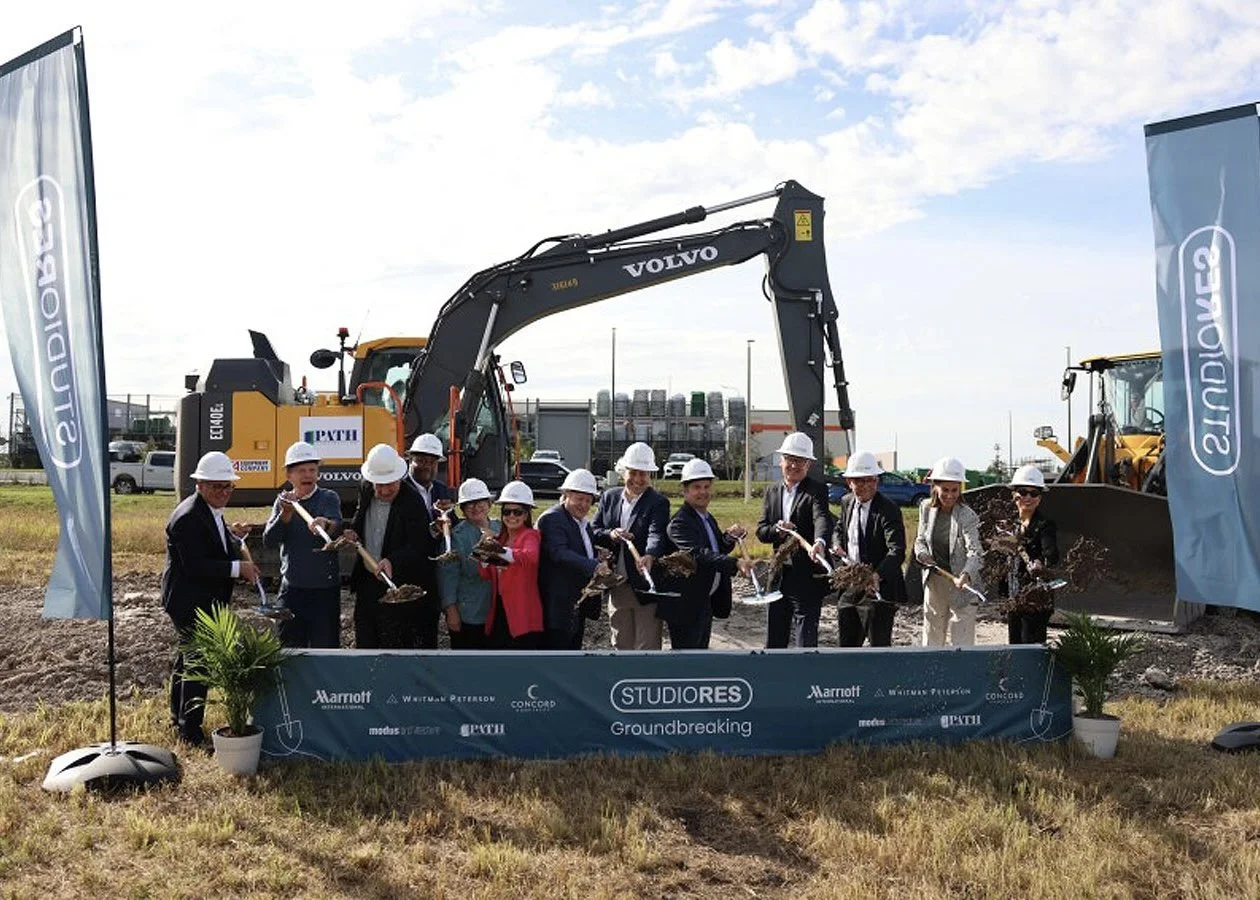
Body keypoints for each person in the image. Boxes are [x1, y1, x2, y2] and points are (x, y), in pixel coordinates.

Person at [160, 451, 259, 747]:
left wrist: (233, 538)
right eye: (217, 486)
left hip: (199, 598)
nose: (225, 492)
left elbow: (212, 543)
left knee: (187, 659)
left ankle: (179, 718)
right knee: (198, 663)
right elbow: (195, 565)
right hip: (189, 600)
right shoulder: (188, 517)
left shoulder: (208, 509)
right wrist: (237, 568)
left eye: (229, 486)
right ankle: (190, 731)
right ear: (200, 484)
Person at [343, 443, 429, 649]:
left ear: (399, 478)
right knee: (366, 639)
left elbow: (420, 545)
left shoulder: (412, 502)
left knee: (393, 642)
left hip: (396, 585)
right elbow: (359, 515)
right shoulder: (365, 489)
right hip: (367, 581)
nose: (384, 490)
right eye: (378, 485)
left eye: (390, 484)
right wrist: (353, 530)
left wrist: (393, 561)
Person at [262, 441, 343, 648]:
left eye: (312, 470)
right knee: (289, 647)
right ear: (289, 475)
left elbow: (336, 526)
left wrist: (325, 523)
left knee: (325, 648)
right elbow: (269, 540)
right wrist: (285, 515)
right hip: (292, 589)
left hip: (325, 590)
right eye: (301, 470)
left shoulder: (327, 498)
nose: (307, 475)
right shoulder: (282, 502)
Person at [663, 459, 751, 649]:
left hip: (704, 602)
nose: (703, 492)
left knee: (701, 657)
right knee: (688, 662)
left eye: (706, 487)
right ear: (685, 491)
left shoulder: (706, 517)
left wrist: (728, 538)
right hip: (686, 606)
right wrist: (735, 563)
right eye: (696, 487)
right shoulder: (679, 524)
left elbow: (715, 548)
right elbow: (698, 554)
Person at [755, 432, 832, 648]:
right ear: (781, 461)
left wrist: (819, 542)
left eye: (800, 461)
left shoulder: (816, 491)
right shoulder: (772, 491)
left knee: (805, 639)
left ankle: (805, 678)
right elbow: (761, 531)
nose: (794, 465)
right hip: (778, 576)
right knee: (775, 637)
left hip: (805, 576)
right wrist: (778, 531)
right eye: (789, 460)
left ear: (808, 464)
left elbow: (821, 518)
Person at [592, 442, 670, 650]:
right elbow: (594, 529)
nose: (637, 479)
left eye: (643, 474)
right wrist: (611, 533)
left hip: (644, 583)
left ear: (650, 475)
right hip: (617, 584)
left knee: (647, 646)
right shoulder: (609, 497)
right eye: (633, 472)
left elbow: (656, 533)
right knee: (621, 643)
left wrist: (650, 555)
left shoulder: (658, 502)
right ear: (623, 471)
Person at [830, 451, 907, 647]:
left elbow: (897, 550)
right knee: (847, 645)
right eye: (860, 481)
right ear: (849, 482)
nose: (866, 486)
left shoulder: (888, 509)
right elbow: (839, 528)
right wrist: (837, 543)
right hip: (850, 584)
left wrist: (877, 575)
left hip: (877, 588)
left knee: (878, 647)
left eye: (870, 480)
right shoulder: (847, 502)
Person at [914, 456, 984, 646]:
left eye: (955, 490)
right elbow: (920, 540)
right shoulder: (925, 508)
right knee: (932, 637)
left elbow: (975, 551)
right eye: (945, 490)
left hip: (962, 584)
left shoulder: (967, 516)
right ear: (935, 487)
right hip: (935, 580)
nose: (950, 495)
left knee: (962, 640)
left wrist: (966, 574)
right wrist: (922, 554)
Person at [538, 468, 608, 650]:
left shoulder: (582, 523)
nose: (584, 505)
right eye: (579, 499)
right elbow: (559, 553)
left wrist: (595, 554)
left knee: (572, 653)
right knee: (557, 657)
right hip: (558, 607)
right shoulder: (553, 519)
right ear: (566, 495)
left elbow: (576, 549)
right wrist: (593, 565)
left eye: (588, 500)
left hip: (575, 606)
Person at [480, 480, 545, 649]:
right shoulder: (499, 539)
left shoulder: (530, 535)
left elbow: (531, 557)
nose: (512, 517)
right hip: (500, 611)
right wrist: (483, 555)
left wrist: (502, 551)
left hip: (523, 613)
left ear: (526, 515)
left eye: (518, 512)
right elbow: (485, 575)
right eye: (507, 512)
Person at [1000, 465, 1060, 644]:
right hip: (1014, 597)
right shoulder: (1007, 526)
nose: (1028, 497)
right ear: (1014, 495)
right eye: (1023, 491)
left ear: (1040, 498)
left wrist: (1041, 564)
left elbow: (1052, 554)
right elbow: (1002, 562)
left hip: (1036, 600)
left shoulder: (1045, 525)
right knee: (1015, 646)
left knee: (1031, 648)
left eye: (1034, 493)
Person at [438, 478, 499, 649]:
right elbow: (448, 575)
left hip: (498, 611)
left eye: (480, 502)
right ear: (462, 509)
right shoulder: (456, 536)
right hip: (469, 613)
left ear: (489, 503)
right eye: (469, 504)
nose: (476, 507)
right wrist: (451, 612)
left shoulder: (501, 528)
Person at [406, 432, 455, 518]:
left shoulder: (441, 490)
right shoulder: (400, 489)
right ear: (410, 461)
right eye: (421, 461)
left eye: (432, 462)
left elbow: (453, 524)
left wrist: (445, 515)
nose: (427, 466)